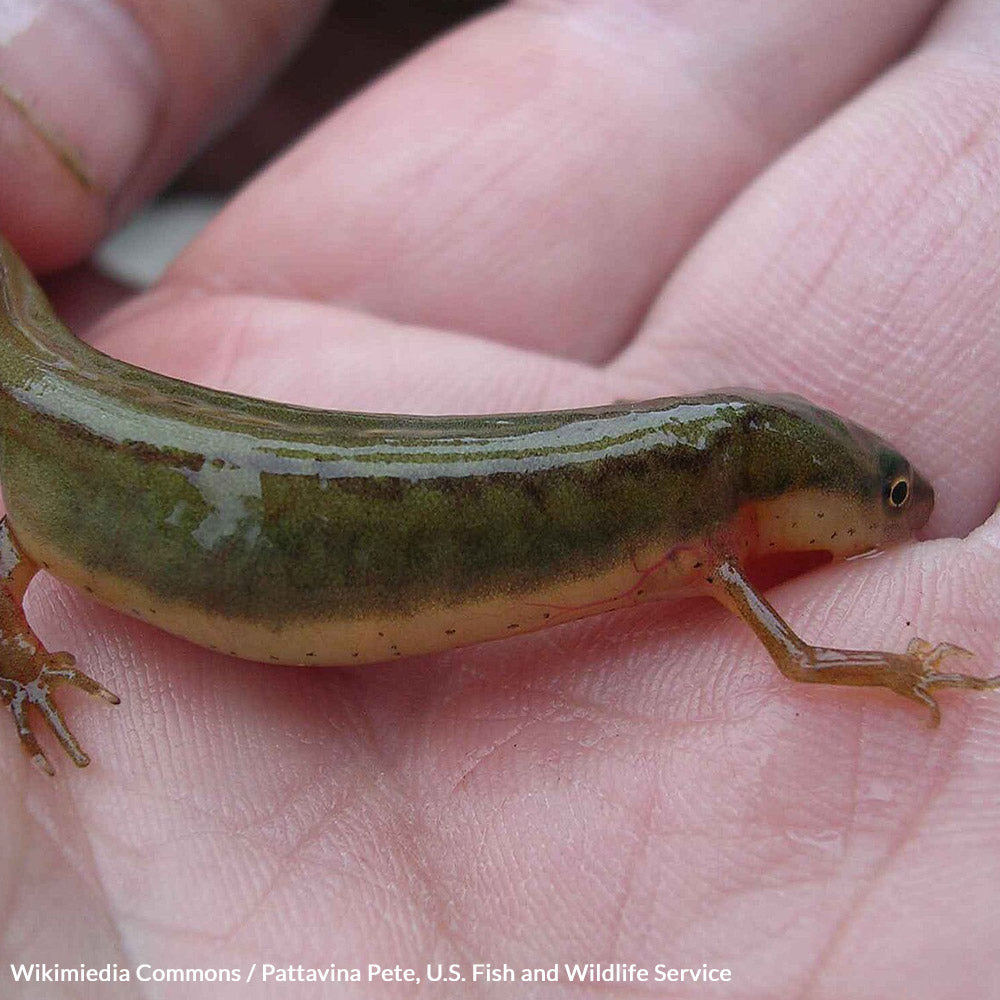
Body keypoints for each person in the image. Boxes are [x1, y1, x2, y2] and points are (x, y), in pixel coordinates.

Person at [0, 1, 997, 995]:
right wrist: (906, 669)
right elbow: (806, 660)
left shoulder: (709, 523)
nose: (902, 515)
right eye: (890, 495)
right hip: (97, 470)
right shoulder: (708, 534)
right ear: (790, 486)